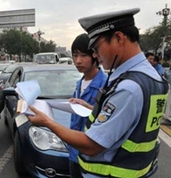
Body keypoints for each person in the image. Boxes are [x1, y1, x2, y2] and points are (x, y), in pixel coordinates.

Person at [27, 7, 169, 178]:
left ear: (118, 38)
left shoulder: (128, 88)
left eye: (96, 47)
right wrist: (89, 106)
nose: (95, 54)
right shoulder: (153, 77)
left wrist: (47, 122)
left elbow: (91, 145)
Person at [68, 33, 107, 178]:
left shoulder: (106, 84)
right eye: (75, 55)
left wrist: (90, 108)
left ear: (95, 56)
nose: (78, 61)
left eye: (83, 55)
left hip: (93, 158)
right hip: (74, 153)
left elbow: (110, 118)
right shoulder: (79, 83)